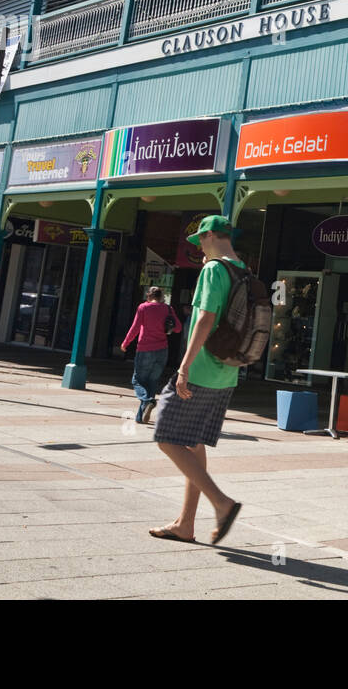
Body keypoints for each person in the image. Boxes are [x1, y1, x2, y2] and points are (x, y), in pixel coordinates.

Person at [148, 214, 243, 546]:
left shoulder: (214, 270)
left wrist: (184, 367)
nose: (199, 246)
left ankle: (222, 502)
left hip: (202, 370)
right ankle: (186, 524)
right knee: (192, 442)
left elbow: (205, 318)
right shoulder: (242, 270)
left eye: (201, 239)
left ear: (212, 236)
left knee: (165, 435)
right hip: (227, 372)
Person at [120, 286, 182, 424]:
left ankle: (149, 401)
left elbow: (135, 327)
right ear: (161, 296)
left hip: (145, 349)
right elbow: (178, 328)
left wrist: (125, 343)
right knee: (151, 382)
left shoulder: (143, 307)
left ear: (148, 296)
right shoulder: (168, 309)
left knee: (137, 380)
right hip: (162, 350)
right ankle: (140, 417)